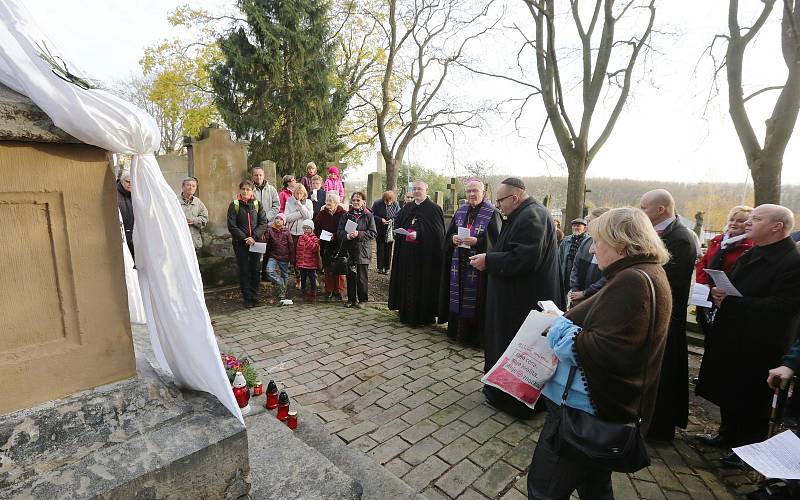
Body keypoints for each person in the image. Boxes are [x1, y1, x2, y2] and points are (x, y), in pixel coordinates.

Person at [526, 207, 672, 500]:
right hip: (604, 409)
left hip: (583, 409)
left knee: (544, 488)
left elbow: (605, 350)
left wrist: (558, 328)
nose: (593, 249)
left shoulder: (633, 281)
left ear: (621, 243)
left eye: (598, 241)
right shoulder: (646, 272)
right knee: (594, 484)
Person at [696, 204, 800, 464]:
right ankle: (728, 434)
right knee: (730, 389)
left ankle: (749, 447)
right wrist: (721, 293)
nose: (748, 222)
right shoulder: (753, 252)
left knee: (752, 396)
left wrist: (731, 303)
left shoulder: (792, 262)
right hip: (735, 334)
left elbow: (784, 306)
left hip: (762, 342)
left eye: (756, 218)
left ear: (777, 226)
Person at [468, 177, 562, 418]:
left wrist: (489, 260)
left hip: (522, 301)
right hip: (514, 296)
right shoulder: (522, 213)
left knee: (518, 348)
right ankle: (499, 390)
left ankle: (513, 400)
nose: (497, 206)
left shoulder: (532, 216)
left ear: (515, 197)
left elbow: (524, 258)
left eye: (500, 200)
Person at [639, 188, 697, 441]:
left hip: (667, 316)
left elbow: (668, 280)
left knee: (664, 374)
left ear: (660, 209)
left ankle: (659, 427)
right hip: (654, 313)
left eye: (644, 207)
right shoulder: (661, 233)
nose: (641, 212)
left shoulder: (680, 239)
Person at [438, 179, 501, 346]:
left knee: (476, 300)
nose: (472, 194)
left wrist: (478, 242)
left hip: (479, 267)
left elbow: (498, 242)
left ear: (483, 193)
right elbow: (448, 235)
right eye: (469, 191)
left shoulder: (492, 213)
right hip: (459, 263)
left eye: (475, 191)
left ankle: (474, 338)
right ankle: (455, 333)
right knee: (457, 295)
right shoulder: (461, 211)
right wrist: (453, 238)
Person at [388, 180, 446, 325]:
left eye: (419, 189)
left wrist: (419, 235)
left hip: (424, 257)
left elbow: (438, 235)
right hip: (407, 254)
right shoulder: (407, 207)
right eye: (414, 189)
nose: (416, 191)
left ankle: (423, 316)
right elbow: (399, 224)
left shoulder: (434, 209)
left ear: (427, 189)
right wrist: (401, 231)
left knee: (422, 284)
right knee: (407, 282)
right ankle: (405, 312)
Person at [227, 180, 268, 308]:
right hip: (241, 243)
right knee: (244, 270)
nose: (245, 191)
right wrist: (246, 238)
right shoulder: (234, 205)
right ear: (240, 190)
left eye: (248, 189)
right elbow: (232, 225)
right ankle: (247, 298)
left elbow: (263, 222)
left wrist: (254, 237)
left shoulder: (257, 204)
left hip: (256, 243)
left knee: (255, 270)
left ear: (252, 191)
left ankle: (255, 296)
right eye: (243, 189)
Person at [695, 206, 754, 285]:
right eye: (731, 220)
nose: (733, 223)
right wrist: (704, 284)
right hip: (707, 289)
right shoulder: (717, 240)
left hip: (731, 292)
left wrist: (723, 289)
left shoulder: (752, 245)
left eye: (740, 221)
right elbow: (703, 263)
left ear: (749, 224)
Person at [338, 192, 377, 308]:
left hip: (362, 250)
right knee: (350, 276)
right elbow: (339, 231)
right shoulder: (346, 215)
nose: (355, 202)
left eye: (358, 200)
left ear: (363, 202)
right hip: (349, 250)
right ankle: (351, 299)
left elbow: (373, 233)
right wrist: (347, 236)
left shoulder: (368, 215)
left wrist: (359, 234)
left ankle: (363, 300)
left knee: (362, 277)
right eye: (354, 200)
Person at [568, 207, 611, 307]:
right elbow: (575, 267)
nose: (587, 226)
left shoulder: (611, 246)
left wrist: (585, 293)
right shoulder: (587, 242)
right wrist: (575, 291)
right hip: (577, 298)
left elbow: (608, 277)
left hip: (596, 300)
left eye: (590, 221)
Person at [314, 192, 347, 301]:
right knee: (328, 268)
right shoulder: (322, 214)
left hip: (339, 244)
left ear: (337, 203)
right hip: (326, 244)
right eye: (327, 201)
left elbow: (346, 229)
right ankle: (329, 291)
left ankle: (339, 291)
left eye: (331, 201)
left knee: (340, 267)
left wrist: (336, 235)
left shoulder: (343, 213)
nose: (328, 203)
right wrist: (325, 236)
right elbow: (317, 228)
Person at [285, 184, 314, 289]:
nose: (299, 195)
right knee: (294, 258)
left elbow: (309, 217)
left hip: (304, 233)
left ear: (304, 193)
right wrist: (300, 213)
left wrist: (300, 206)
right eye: (297, 193)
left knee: (306, 257)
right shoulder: (289, 201)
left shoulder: (309, 202)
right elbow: (287, 218)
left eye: (301, 193)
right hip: (293, 234)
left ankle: (311, 277)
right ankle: (298, 279)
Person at [263, 214, 295, 305]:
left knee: (284, 274)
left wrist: (292, 259)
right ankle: (280, 282)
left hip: (285, 256)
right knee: (269, 271)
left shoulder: (287, 231)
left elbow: (291, 245)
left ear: (283, 222)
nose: (278, 220)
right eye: (276, 218)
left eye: (281, 219)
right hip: (273, 256)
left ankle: (282, 294)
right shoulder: (269, 230)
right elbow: (266, 241)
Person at [558, 218, 588, 303]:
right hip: (566, 273)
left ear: (585, 228)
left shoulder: (588, 241)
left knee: (577, 298)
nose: (575, 228)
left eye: (578, 226)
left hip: (579, 274)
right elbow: (559, 257)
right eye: (574, 226)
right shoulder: (566, 240)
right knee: (562, 296)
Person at [371, 191, 401, 274]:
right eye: (386, 201)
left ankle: (387, 267)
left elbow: (398, 214)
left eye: (390, 201)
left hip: (390, 230)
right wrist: (381, 220)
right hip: (380, 229)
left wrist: (392, 220)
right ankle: (380, 267)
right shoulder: (377, 203)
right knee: (380, 248)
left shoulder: (396, 204)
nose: (388, 203)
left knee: (389, 249)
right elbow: (372, 214)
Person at [179, 177, 208, 253]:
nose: (191, 187)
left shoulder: (198, 202)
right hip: (179, 241)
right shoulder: (175, 201)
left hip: (194, 242)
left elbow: (205, 218)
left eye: (193, 186)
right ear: (183, 186)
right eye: (188, 185)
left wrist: (194, 220)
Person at [295, 219, 320, 301]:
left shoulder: (315, 238)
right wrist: (298, 262)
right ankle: (303, 292)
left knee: (312, 278)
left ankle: (313, 292)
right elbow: (298, 250)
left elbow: (315, 248)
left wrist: (307, 239)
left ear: (312, 229)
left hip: (311, 263)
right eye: (304, 228)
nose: (306, 230)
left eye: (308, 228)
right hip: (302, 263)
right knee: (303, 278)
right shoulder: (300, 238)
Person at [117, 171, 135, 261]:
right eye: (128, 182)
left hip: (136, 235)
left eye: (132, 182)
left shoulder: (135, 193)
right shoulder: (116, 195)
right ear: (122, 181)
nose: (130, 184)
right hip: (124, 235)